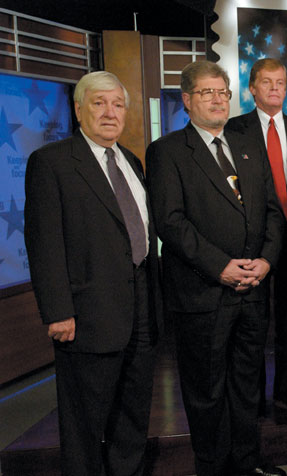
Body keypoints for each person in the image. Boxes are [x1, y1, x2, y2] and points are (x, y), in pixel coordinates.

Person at [146, 60, 286, 476]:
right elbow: (170, 223)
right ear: (187, 100)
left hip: (253, 290)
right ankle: (214, 468)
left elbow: (274, 213)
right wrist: (220, 266)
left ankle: (246, 464)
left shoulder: (247, 144)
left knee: (247, 386)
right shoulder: (167, 151)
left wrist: (266, 260)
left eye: (222, 92)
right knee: (206, 391)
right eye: (206, 92)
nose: (217, 100)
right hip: (202, 293)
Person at [24, 71, 162, 476]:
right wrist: (57, 312)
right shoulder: (52, 162)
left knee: (133, 416)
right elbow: (44, 243)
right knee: (85, 425)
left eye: (118, 104)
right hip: (86, 316)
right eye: (99, 103)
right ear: (79, 109)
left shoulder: (132, 161)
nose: (109, 112)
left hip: (141, 310)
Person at [226, 58, 287, 412]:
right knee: (253, 322)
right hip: (252, 241)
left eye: (280, 83)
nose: (274, 88)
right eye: (266, 82)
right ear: (252, 88)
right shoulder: (233, 130)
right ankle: (251, 398)